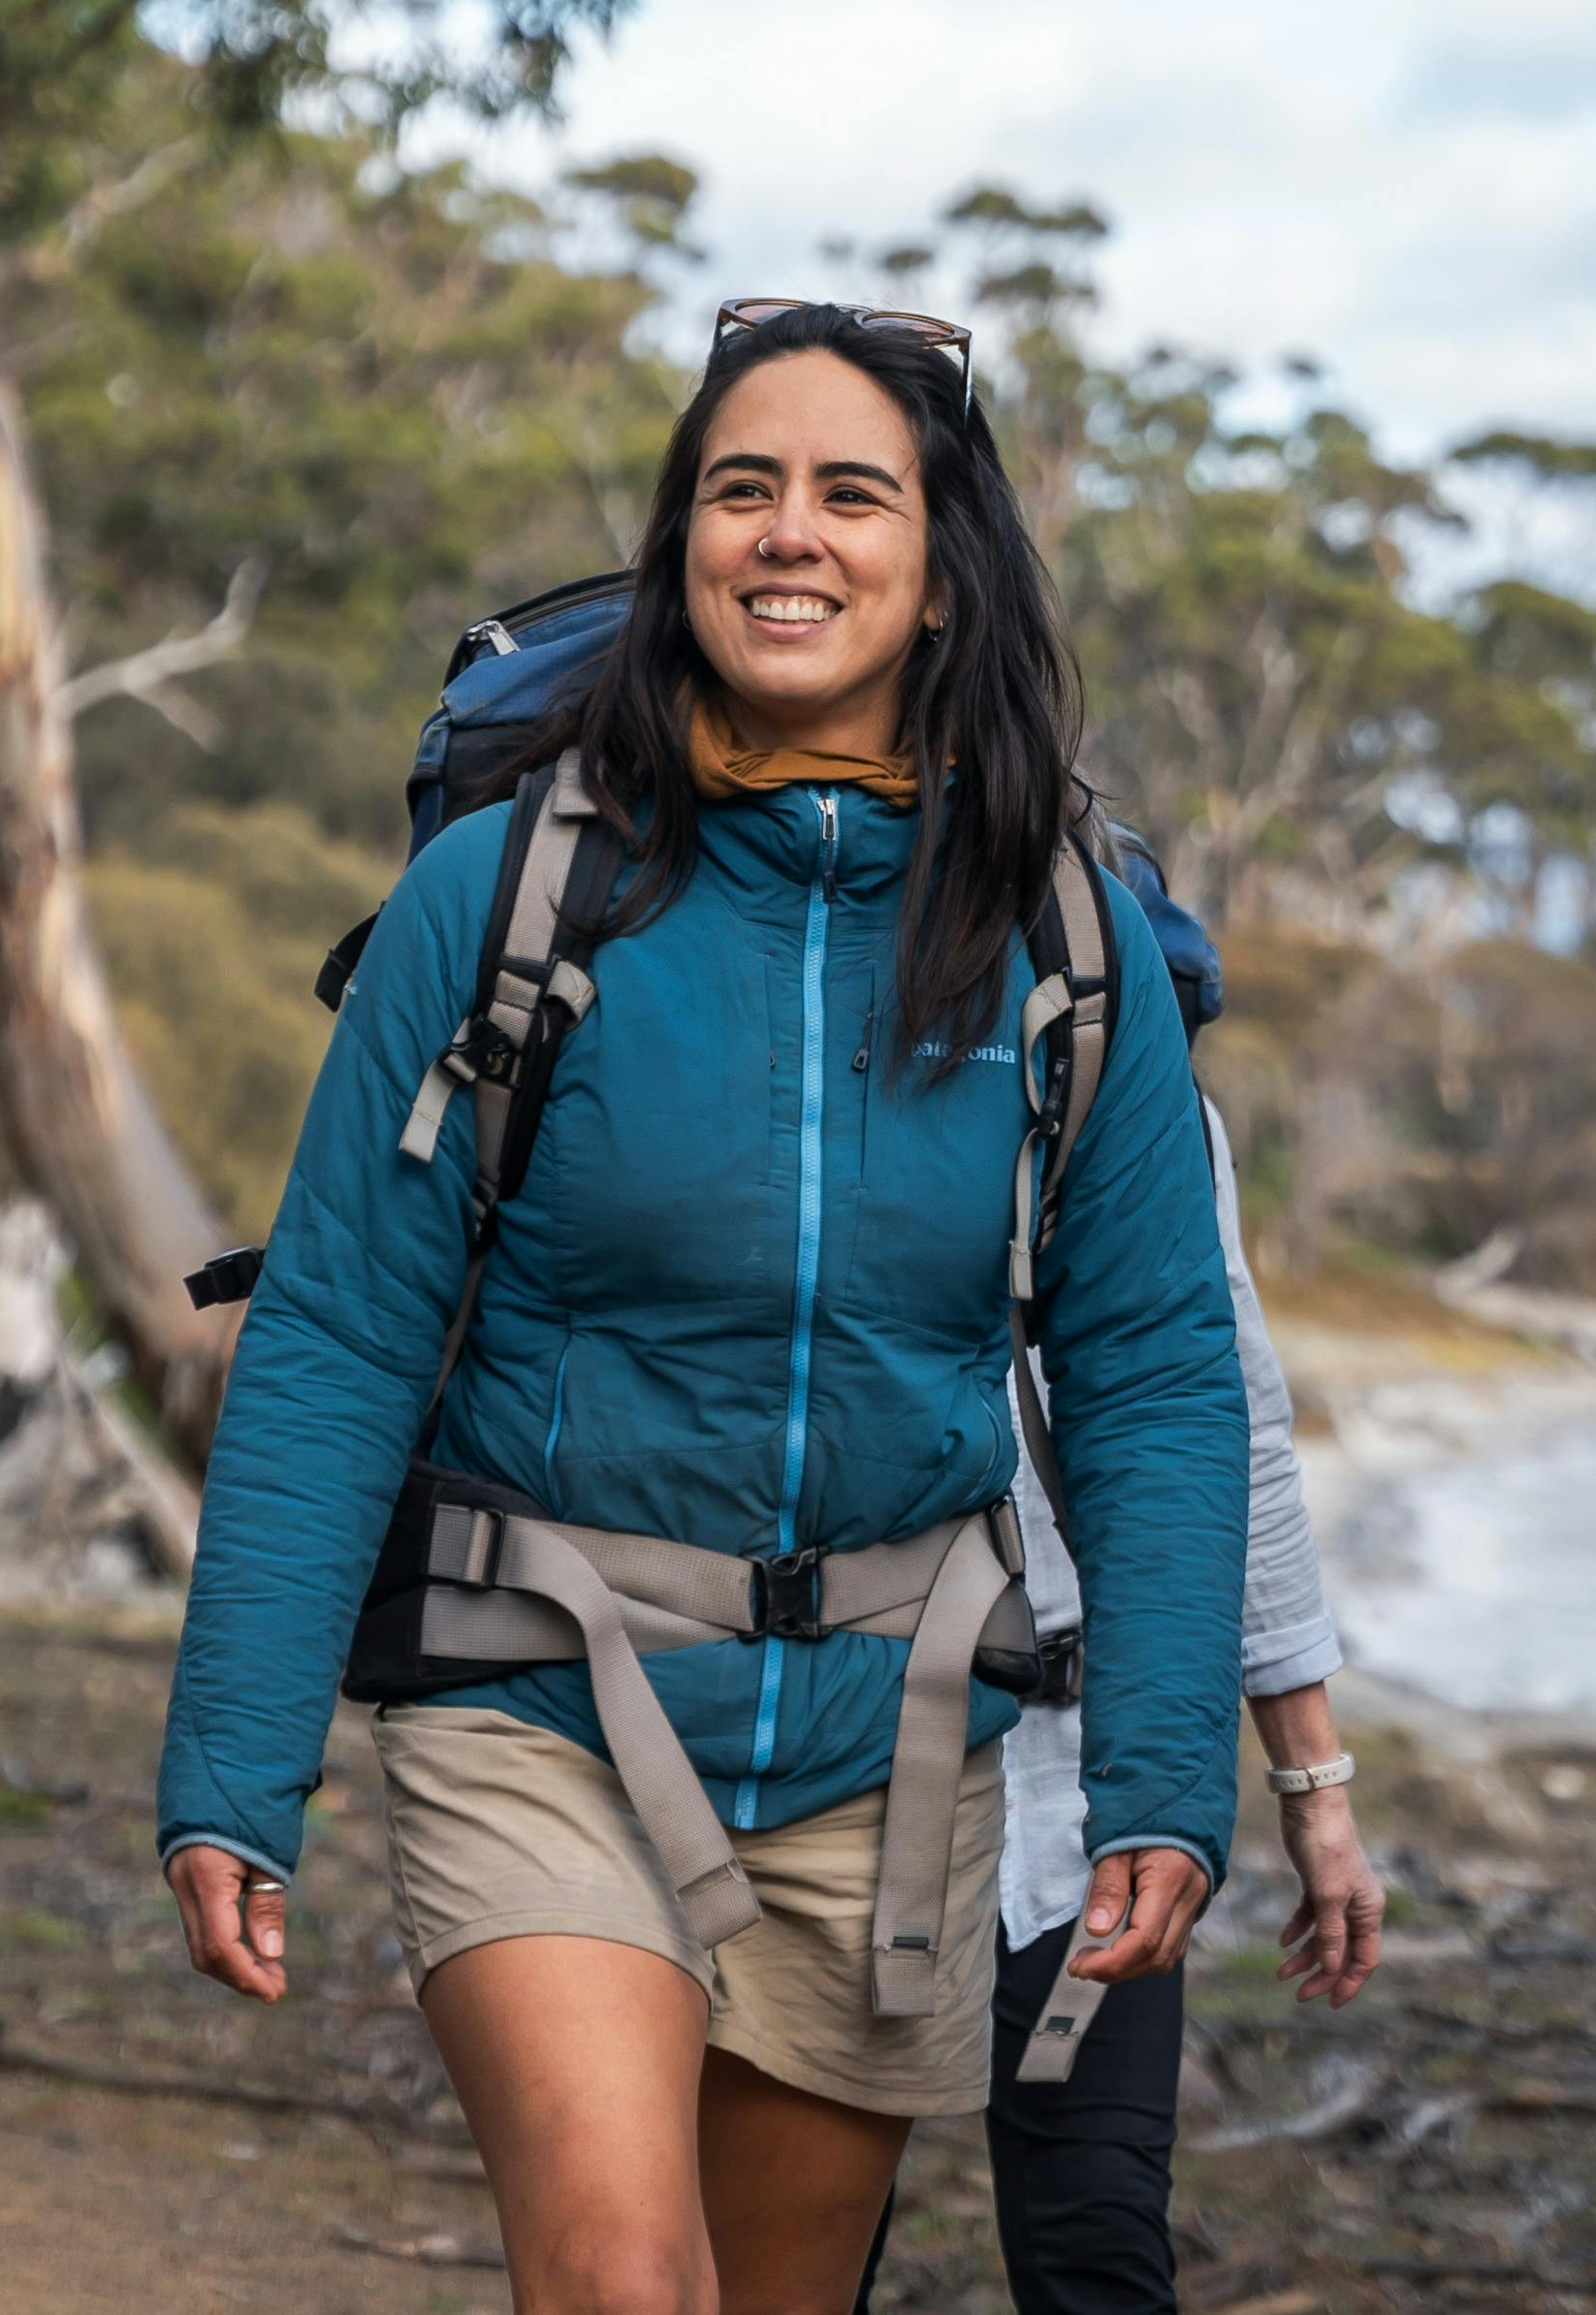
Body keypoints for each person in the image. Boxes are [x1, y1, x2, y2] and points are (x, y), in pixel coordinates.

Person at [160, 300, 1254, 2315]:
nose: (788, 531)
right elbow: (335, 1333)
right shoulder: (508, 896)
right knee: (624, 2276)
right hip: (539, 1685)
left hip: (886, 1731)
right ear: (679, 546)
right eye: (740, 486)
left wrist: (1166, 1769)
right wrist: (237, 1756)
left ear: (940, 572)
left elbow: (1159, 1368)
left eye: (853, 491)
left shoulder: (1060, 935)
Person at [930, 1094, 1382, 2311]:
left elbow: (1234, 1431)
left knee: (1100, 2240)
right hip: (852, 1751)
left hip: (1090, 1789)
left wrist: (1313, 1788)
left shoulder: (1135, 1089)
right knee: (801, 2247)